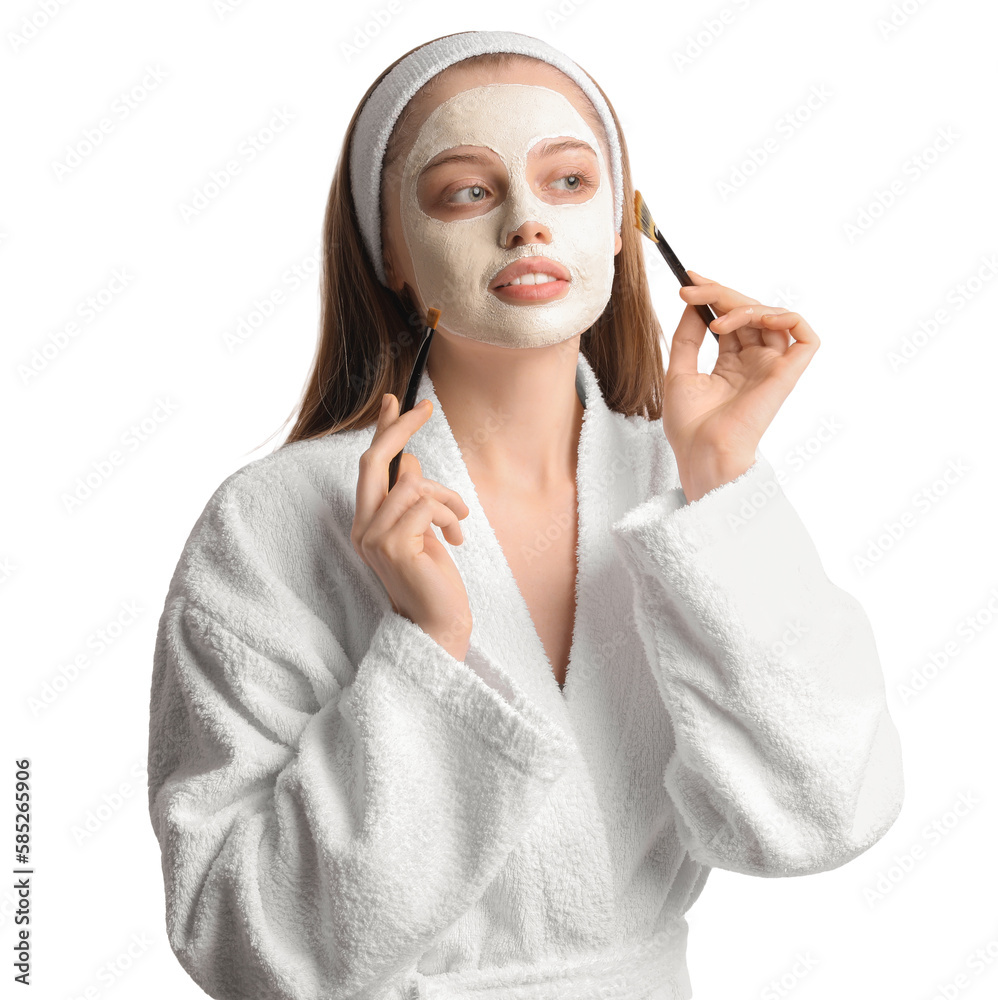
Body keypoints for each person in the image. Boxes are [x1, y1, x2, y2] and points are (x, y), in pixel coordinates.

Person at [146, 29, 904, 1000]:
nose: (524, 224)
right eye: (465, 190)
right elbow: (244, 948)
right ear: (392, 254)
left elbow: (824, 812)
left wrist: (718, 474)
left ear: (623, 228)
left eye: (568, 183)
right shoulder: (270, 523)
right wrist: (427, 646)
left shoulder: (681, 488)